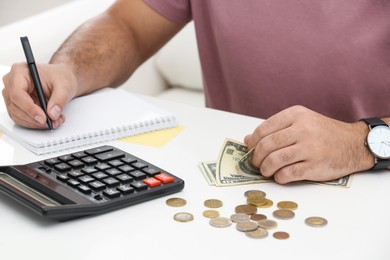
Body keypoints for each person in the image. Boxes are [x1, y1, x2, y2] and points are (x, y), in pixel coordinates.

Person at [2, 0, 389, 184]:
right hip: (234, 194)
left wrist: (360, 142)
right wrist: (68, 69)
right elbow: (128, 26)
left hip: (374, 181)